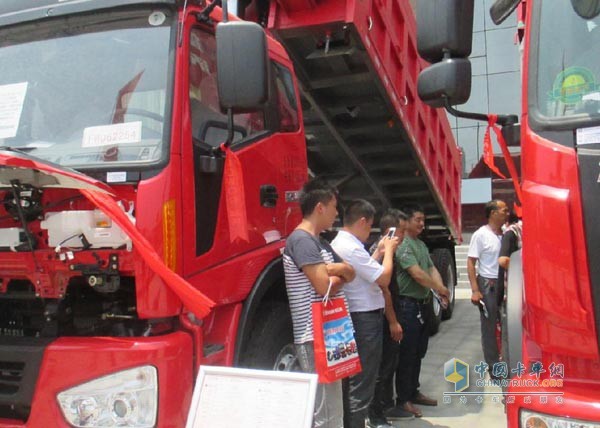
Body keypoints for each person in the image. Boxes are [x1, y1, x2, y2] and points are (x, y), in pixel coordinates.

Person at [283, 178, 356, 428]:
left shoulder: (320, 242)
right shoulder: (302, 241)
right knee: (327, 413)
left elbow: (351, 273)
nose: (337, 213)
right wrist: (340, 274)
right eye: (335, 207)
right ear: (320, 208)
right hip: (315, 336)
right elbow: (323, 285)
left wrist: (340, 268)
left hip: (329, 332)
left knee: (331, 406)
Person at [330, 200, 399, 428]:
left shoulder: (345, 243)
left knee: (357, 380)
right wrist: (388, 251)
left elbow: (366, 270)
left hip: (360, 316)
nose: (369, 231)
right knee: (363, 381)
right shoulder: (349, 246)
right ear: (362, 221)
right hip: (364, 318)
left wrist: (378, 252)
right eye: (369, 226)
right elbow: (383, 278)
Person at [393, 204, 450, 418]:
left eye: (423, 220)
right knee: (407, 354)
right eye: (417, 219)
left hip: (422, 305)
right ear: (406, 221)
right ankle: (403, 399)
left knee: (418, 352)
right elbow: (416, 274)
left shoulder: (421, 245)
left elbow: (431, 268)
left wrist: (442, 290)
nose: (421, 224)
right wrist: (439, 288)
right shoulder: (403, 245)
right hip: (407, 306)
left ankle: (413, 391)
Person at [367, 209, 415, 428]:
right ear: (390, 231)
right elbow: (383, 289)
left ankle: (384, 407)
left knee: (389, 365)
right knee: (382, 368)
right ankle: (375, 416)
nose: (404, 236)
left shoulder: (388, 253)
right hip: (383, 318)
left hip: (389, 315)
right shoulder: (380, 254)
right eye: (401, 231)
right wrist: (393, 321)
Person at [467, 199, 509, 374]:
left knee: (507, 323)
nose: (507, 213)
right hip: (488, 284)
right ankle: (493, 367)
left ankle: (507, 360)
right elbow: (470, 263)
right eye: (504, 210)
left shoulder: (507, 234)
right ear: (493, 213)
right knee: (490, 326)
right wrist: (476, 290)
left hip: (506, 284)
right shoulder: (480, 235)